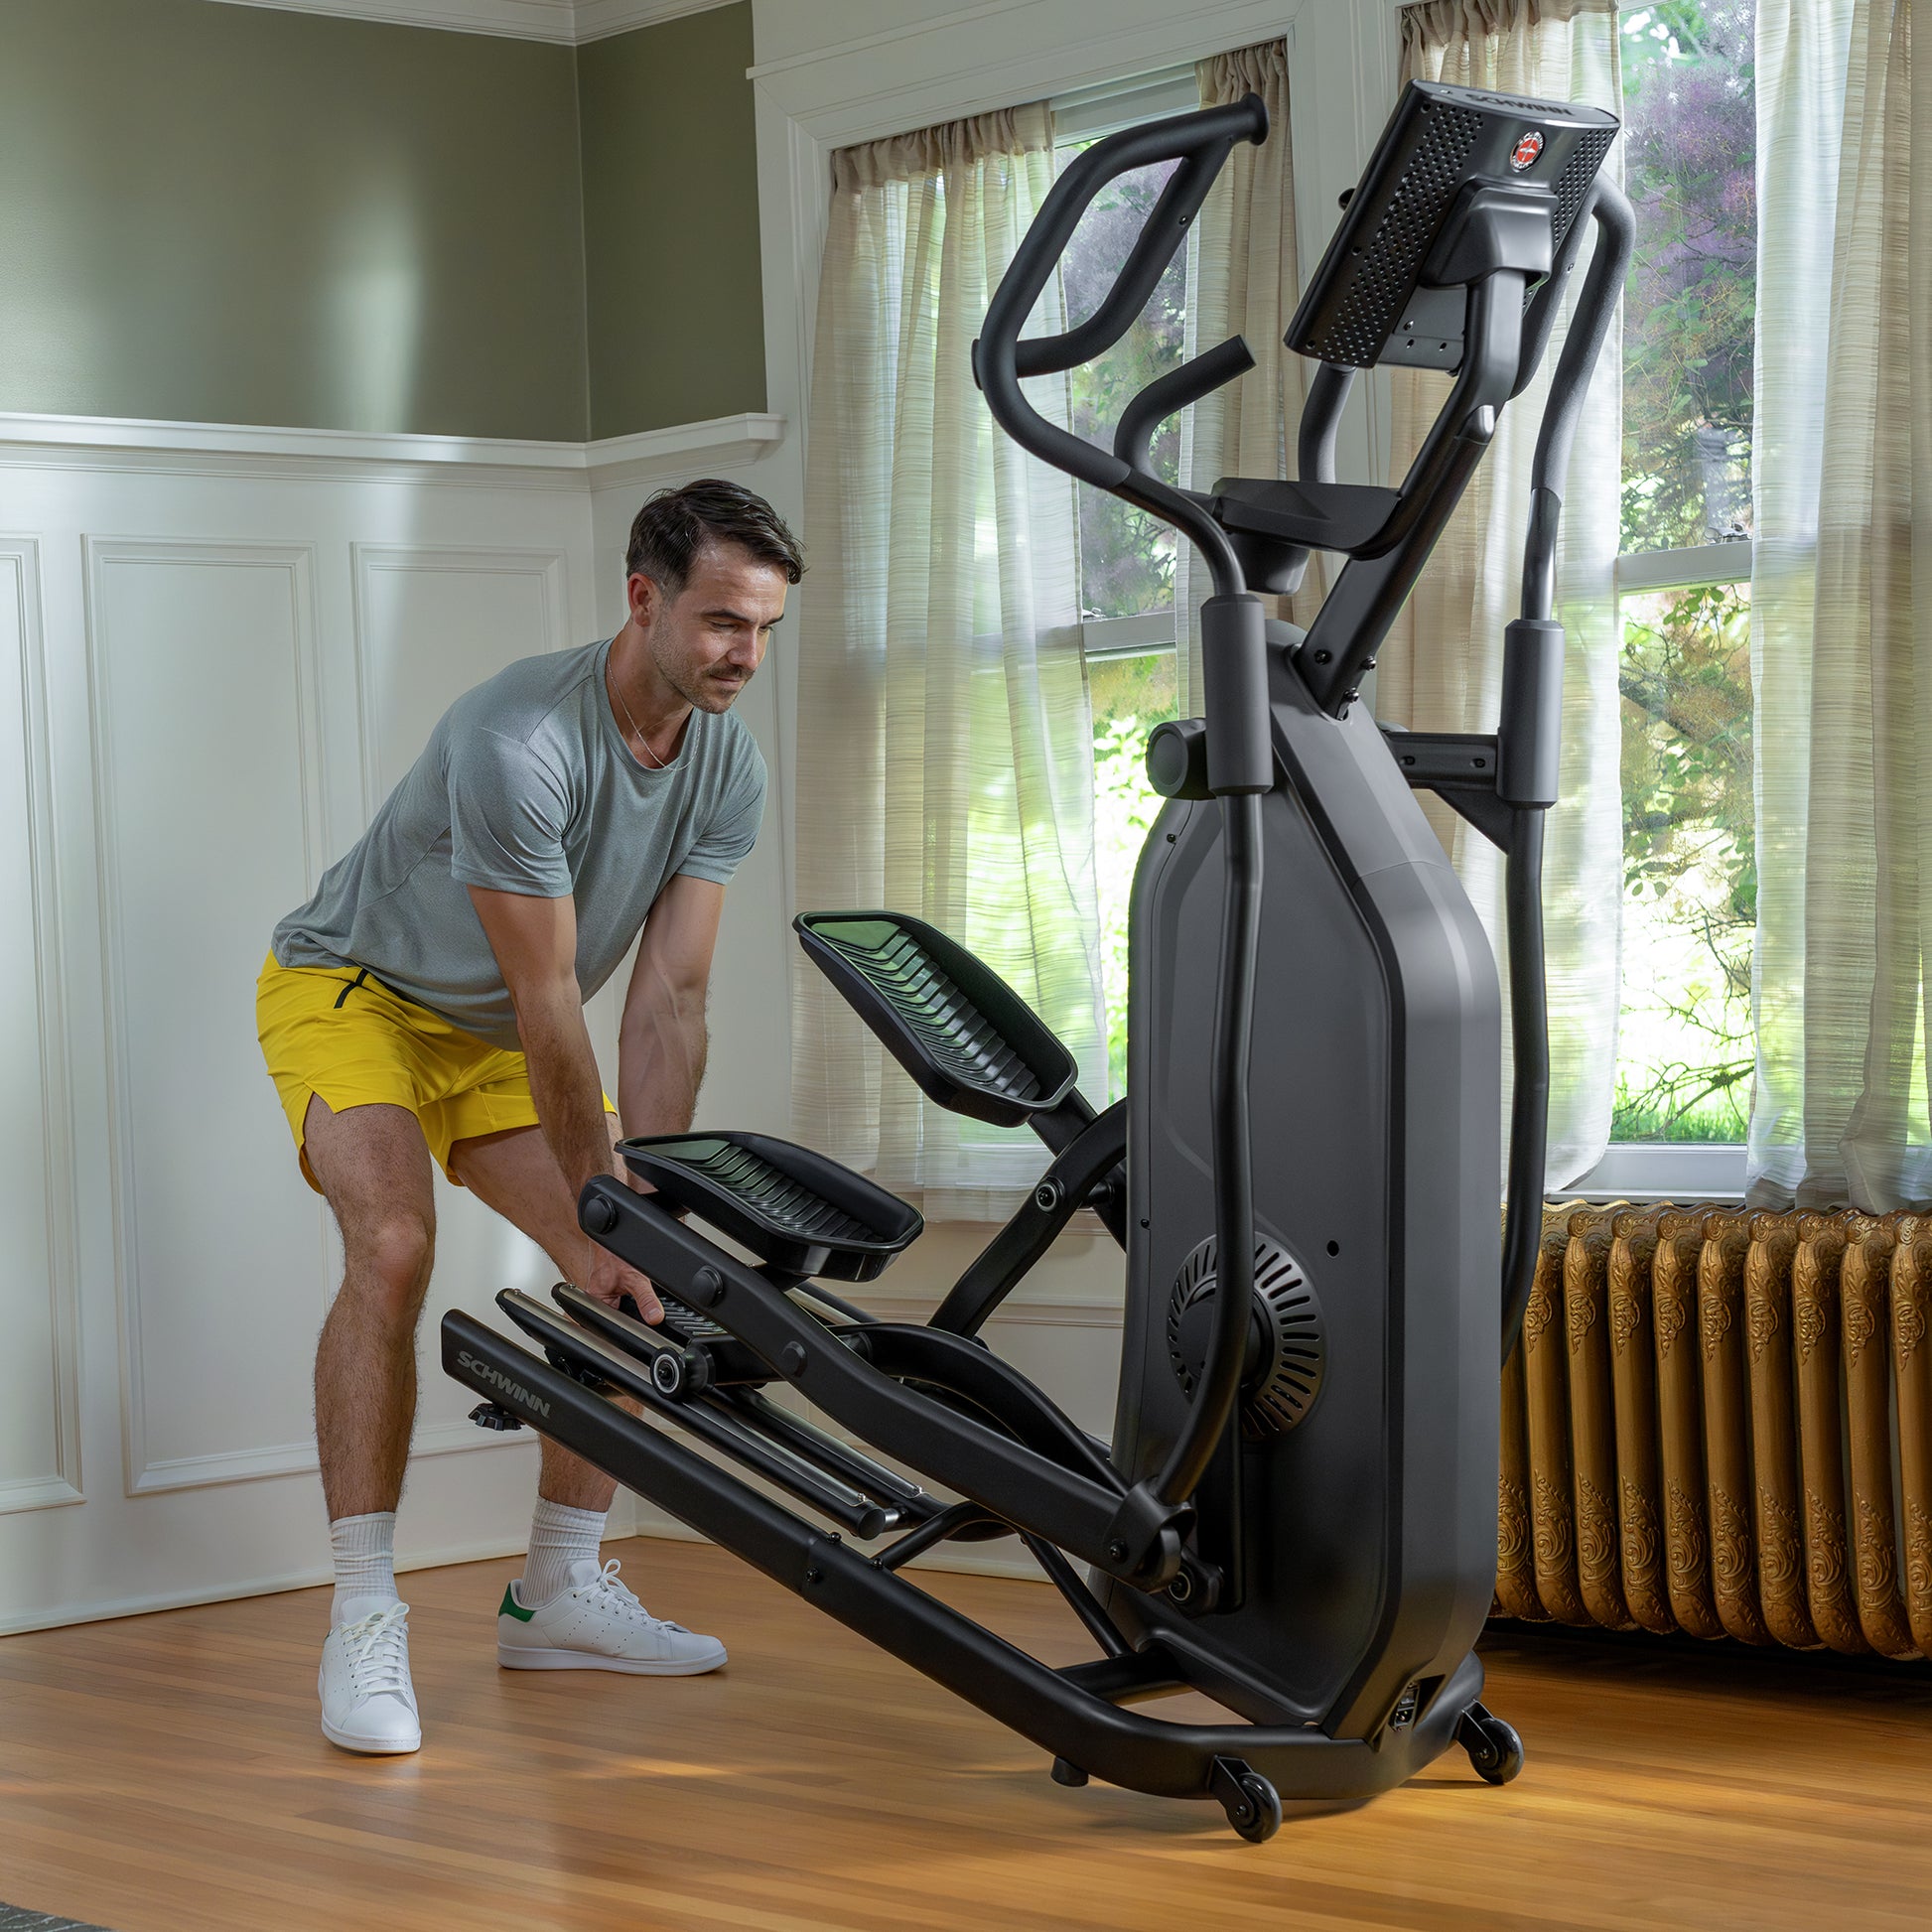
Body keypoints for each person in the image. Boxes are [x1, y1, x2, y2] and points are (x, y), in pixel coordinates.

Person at [255, 478, 803, 1754]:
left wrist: (645, 1205)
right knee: (392, 1243)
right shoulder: (520, 737)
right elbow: (552, 994)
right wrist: (602, 1190)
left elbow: (669, 996)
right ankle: (364, 1612)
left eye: (764, 627)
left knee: (638, 1273)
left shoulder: (726, 759)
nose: (745, 654)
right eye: (723, 619)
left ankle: (555, 1587)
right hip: (359, 995)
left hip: (497, 1032)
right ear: (641, 597)